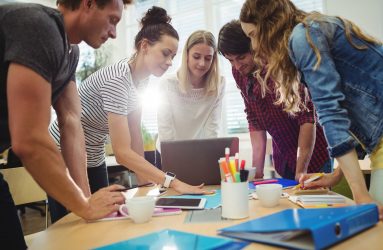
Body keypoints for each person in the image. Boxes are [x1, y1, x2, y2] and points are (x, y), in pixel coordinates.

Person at [239, 0, 383, 238]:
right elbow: (350, 113)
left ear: (268, 26)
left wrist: (360, 193)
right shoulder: (312, 28)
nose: (253, 45)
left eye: (252, 34)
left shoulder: (303, 38)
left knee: (379, 233)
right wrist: (336, 175)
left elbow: (331, 112)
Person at [48, 6, 209, 222]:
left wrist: (145, 183)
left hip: (93, 153)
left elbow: (135, 134)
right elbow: (122, 152)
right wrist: (173, 182)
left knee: (101, 220)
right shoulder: (117, 79)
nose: (170, 62)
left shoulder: (142, 80)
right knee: (73, 224)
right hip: (63, 150)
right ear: (144, 46)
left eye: (173, 55)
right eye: (165, 53)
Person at [0, 0, 132, 249]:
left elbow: (71, 121)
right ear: (88, 4)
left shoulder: (70, 51)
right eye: (112, 20)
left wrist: (85, 202)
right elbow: (29, 140)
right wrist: (83, 206)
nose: (114, 33)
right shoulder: (39, 26)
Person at [217, 20, 331, 180]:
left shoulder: (281, 68)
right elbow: (254, 118)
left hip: (313, 156)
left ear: (254, 46)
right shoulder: (240, 73)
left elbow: (307, 119)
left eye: (241, 57)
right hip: (284, 158)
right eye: (230, 60)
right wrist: (257, 173)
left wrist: (301, 171)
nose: (236, 66)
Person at [156, 30, 225, 166]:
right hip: (168, 152)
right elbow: (166, 130)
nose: (202, 64)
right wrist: (176, 160)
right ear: (186, 55)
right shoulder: (168, 84)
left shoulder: (219, 84)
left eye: (208, 58)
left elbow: (213, 129)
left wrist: (210, 160)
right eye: (196, 56)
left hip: (198, 154)